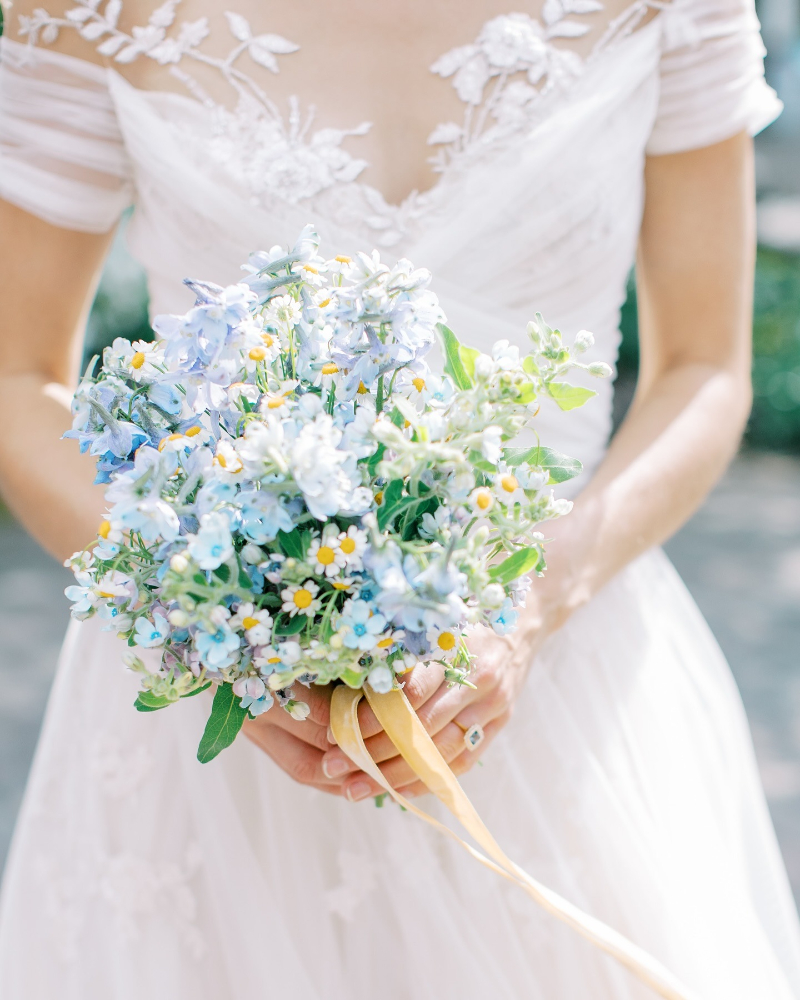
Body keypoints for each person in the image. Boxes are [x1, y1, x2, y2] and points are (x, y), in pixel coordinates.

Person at [1, 0, 799, 996]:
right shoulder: (95, 13)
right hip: (214, 706)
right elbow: (17, 375)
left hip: (558, 668)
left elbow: (701, 367)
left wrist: (531, 601)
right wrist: (201, 618)